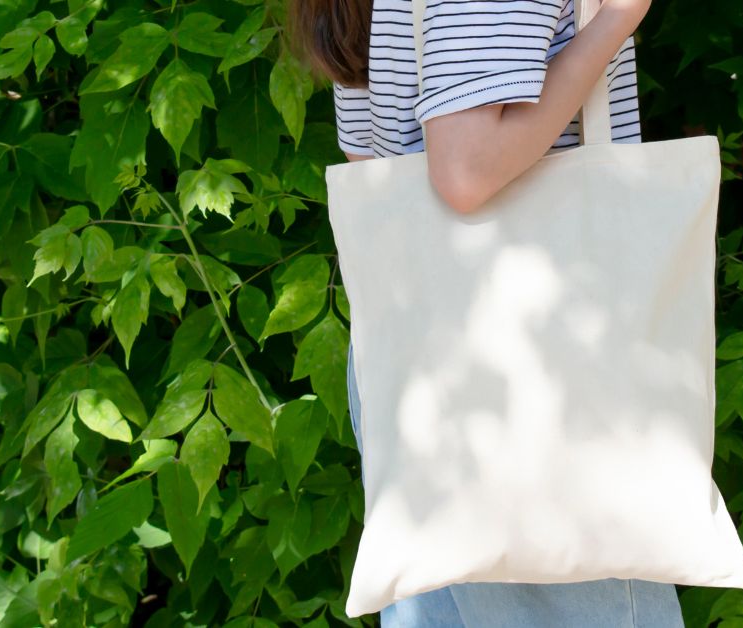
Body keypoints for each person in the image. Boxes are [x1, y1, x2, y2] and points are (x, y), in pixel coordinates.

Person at [290, 1, 682, 626]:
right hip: (536, 373)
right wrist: (615, 19)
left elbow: (376, 165)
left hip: (418, 364)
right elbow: (465, 170)